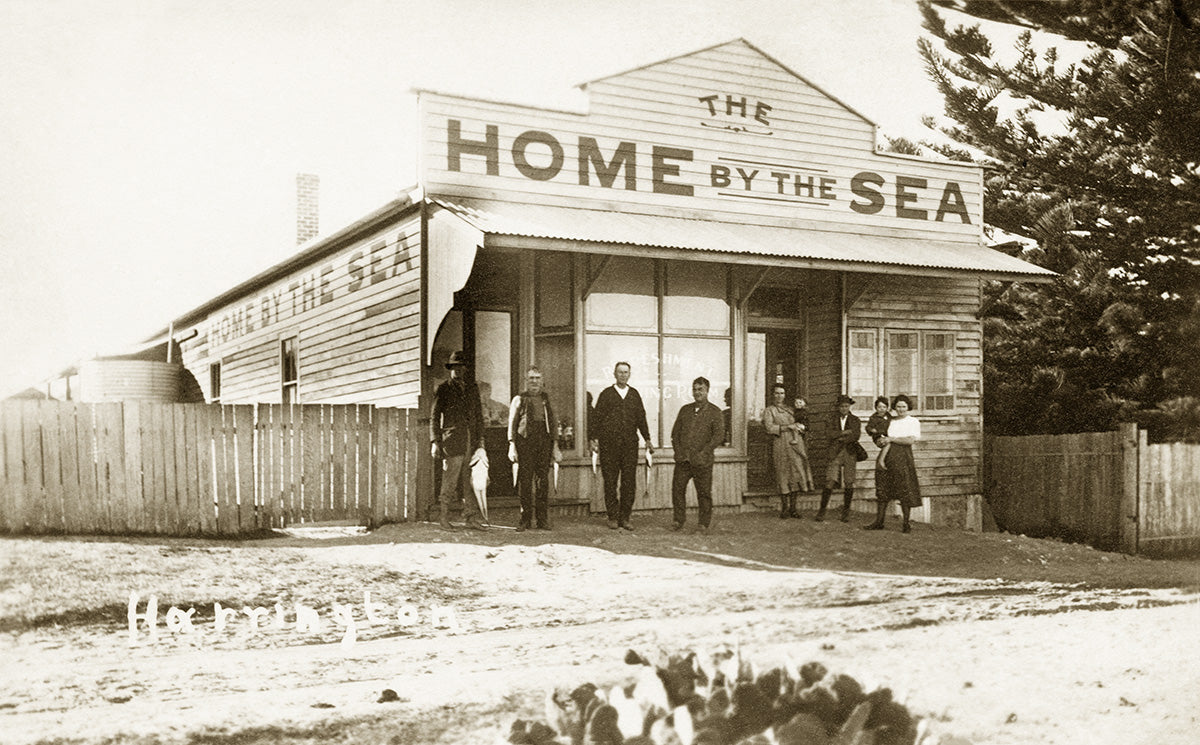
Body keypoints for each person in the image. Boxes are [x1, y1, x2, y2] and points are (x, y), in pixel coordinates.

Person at [589, 361, 654, 531]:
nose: (623, 375)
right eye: (620, 372)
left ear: (629, 375)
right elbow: (596, 418)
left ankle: (625, 517)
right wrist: (593, 438)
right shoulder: (606, 394)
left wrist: (647, 438)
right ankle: (612, 516)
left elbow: (641, 418)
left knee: (628, 482)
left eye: (626, 372)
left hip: (629, 446)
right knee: (610, 482)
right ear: (614, 374)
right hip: (609, 446)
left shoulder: (634, 394)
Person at [430, 351, 487, 531]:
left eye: (461, 367)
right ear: (450, 369)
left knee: (471, 481)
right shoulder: (444, 389)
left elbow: (478, 415)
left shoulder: (472, 388)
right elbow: (434, 417)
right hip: (453, 441)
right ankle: (443, 518)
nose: (458, 370)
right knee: (450, 481)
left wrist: (481, 441)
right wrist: (435, 441)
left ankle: (471, 518)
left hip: (471, 441)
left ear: (465, 369)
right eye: (454, 367)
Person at [507, 366, 561, 532]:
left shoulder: (547, 399)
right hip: (524, 442)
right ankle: (525, 519)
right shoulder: (519, 399)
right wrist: (512, 445)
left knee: (542, 481)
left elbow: (553, 423)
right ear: (526, 381)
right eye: (531, 378)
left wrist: (555, 447)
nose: (534, 381)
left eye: (537, 378)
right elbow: (512, 424)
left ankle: (542, 519)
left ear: (542, 381)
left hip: (544, 442)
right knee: (525, 481)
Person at [669, 376, 726, 532]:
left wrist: (704, 452)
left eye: (700, 389)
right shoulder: (685, 410)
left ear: (707, 391)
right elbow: (675, 434)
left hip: (702, 461)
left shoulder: (715, 412)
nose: (697, 393)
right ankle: (678, 520)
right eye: (694, 389)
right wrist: (678, 451)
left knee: (704, 493)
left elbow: (718, 436)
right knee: (677, 490)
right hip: (683, 460)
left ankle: (703, 523)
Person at [865, 394, 923, 533]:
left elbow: (910, 440)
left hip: (903, 457)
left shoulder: (912, 421)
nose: (901, 409)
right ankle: (879, 521)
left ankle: (906, 523)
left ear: (908, 407)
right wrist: (880, 451)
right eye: (898, 406)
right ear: (894, 407)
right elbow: (883, 439)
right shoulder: (890, 421)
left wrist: (891, 439)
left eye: (903, 406)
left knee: (904, 488)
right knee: (883, 488)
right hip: (887, 455)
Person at [761, 384, 814, 518]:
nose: (779, 396)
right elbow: (769, 428)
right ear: (773, 395)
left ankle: (793, 509)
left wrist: (802, 428)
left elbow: (802, 422)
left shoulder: (791, 409)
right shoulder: (770, 410)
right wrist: (788, 427)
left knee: (795, 473)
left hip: (796, 444)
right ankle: (785, 508)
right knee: (783, 474)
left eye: (782, 393)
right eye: (777, 393)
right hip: (780, 444)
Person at [816, 394, 863, 523]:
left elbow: (856, 436)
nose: (844, 408)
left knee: (849, 481)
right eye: (841, 406)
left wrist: (840, 438)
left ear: (849, 406)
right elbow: (828, 434)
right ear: (838, 407)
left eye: (846, 406)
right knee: (830, 480)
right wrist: (843, 432)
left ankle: (846, 512)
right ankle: (822, 510)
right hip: (835, 452)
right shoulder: (831, 419)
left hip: (849, 452)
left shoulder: (855, 420)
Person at [865, 396, 893, 471]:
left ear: (887, 408)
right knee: (887, 443)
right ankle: (881, 460)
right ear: (876, 408)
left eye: (884, 407)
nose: (882, 409)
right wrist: (871, 430)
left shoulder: (888, 416)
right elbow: (868, 427)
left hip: (887, 435)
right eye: (879, 407)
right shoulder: (873, 418)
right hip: (878, 437)